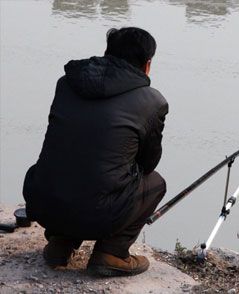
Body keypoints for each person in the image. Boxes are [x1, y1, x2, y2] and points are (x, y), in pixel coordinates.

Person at [22, 27, 168, 277]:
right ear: (147, 64)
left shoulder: (66, 84)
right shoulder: (152, 102)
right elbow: (148, 163)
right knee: (155, 182)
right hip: (99, 215)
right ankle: (111, 252)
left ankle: (60, 242)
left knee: (72, 165)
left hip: (42, 203)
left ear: (107, 53)